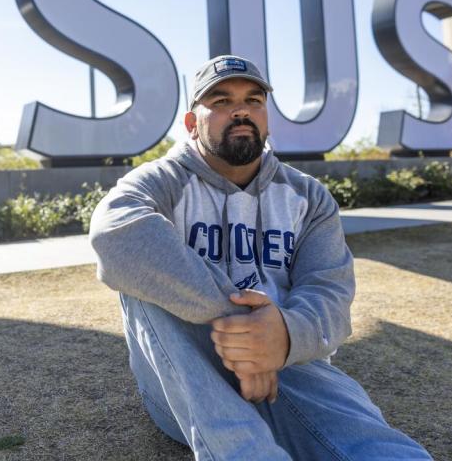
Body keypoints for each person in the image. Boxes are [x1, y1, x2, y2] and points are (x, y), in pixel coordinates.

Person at [89, 55, 431, 460]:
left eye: (253, 100)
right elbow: (114, 236)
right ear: (191, 123)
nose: (240, 110)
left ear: (266, 119)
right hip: (184, 379)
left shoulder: (308, 197)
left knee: (375, 443)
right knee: (143, 275)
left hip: (287, 369)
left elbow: (331, 298)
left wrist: (281, 338)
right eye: (220, 101)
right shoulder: (162, 181)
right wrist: (249, 336)